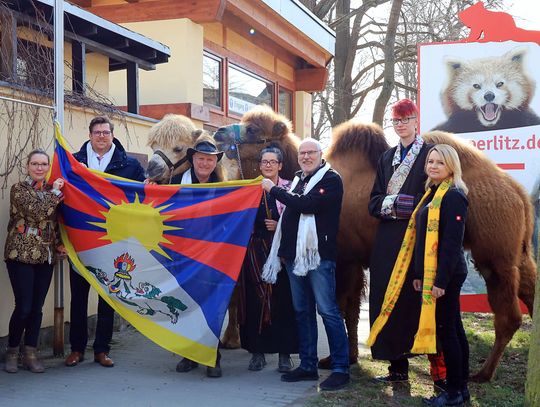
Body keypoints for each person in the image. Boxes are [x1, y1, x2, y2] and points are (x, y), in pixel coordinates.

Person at [367, 99, 446, 386]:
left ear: (416, 121)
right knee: (387, 297)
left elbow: (438, 194)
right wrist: (390, 204)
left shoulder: (429, 154)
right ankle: (396, 366)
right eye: (396, 121)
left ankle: (439, 373)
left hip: (420, 236)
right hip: (388, 237)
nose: (400, 125)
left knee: (416, 300)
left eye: (405, 119)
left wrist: (412, 206)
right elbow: (373, 201)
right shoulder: (386, 158)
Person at [261, 138, 350, 391]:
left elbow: (306, 204)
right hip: (292, 257)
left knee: (328, 311)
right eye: (302, 153)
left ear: (320, 154)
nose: (306, 156)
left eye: (311, 152)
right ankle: (308, 366)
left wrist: (274, 190)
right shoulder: (298, 179)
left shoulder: (331, 179)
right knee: (302, 311)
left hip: (318, 257)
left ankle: (341, 369)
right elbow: (292, 212)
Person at [65, 116, 145, 368]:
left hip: (113, 242)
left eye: (105, 132)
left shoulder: (129, 165)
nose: (101, 136)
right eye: (97, 132)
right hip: (79, 239)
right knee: (78, 297)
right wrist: (60, 237)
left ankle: (102, 349)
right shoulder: (73, 162)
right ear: (90, 135)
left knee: (107, 297)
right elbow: (60, 199)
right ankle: (77, 348)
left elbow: (142, 197)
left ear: (112, 135)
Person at [413, 145, 469, 406]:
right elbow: (420, 237)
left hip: (448, 274)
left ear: (451, 167)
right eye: (430, 161)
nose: (433, 166)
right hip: (435, 274)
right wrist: (418, 273)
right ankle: (460, 390)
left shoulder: (454, 195)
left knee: (449, 332)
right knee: (454, 329)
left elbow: (451, 243)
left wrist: (440, 282)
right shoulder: (432, 193)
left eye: (440, 163)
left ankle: (454, 392)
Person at [4, 149, 66, 373]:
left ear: (48, 167)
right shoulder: (19, 189)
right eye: (35, 164)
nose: (39, 168)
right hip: (20, 254)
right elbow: (37, 213)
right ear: (28, 166)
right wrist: (57, 194)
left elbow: (53, 221)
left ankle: (30, 352)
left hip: (45, 255)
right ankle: (12, 351)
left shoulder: (52, 190)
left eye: (43, 164)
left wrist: (60, 244)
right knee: (23, 307)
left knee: (37, 308)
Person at [238, 146, 298, 372]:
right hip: (254, 252)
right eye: (265, 162)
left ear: (280, 165)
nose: (268, 165)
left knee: (283, 302)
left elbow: (300, 216)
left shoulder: (290, 188)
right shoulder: (249, 188)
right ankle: (257, 352)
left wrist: (279, 224)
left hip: (281, 253)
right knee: (254, 302)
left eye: (273, 161)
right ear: (260, 165)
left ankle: (285, 355)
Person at [174, 137, 225, 378]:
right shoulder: (176, 182)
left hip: (214, 258)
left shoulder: (226, 188)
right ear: (193, 159)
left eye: (210, 159)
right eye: (201, 158)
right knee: (187, 304)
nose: (205, 163)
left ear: (216, 163)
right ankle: (190, 354)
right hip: (183, 255)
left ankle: (213, 357)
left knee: (212, 307)